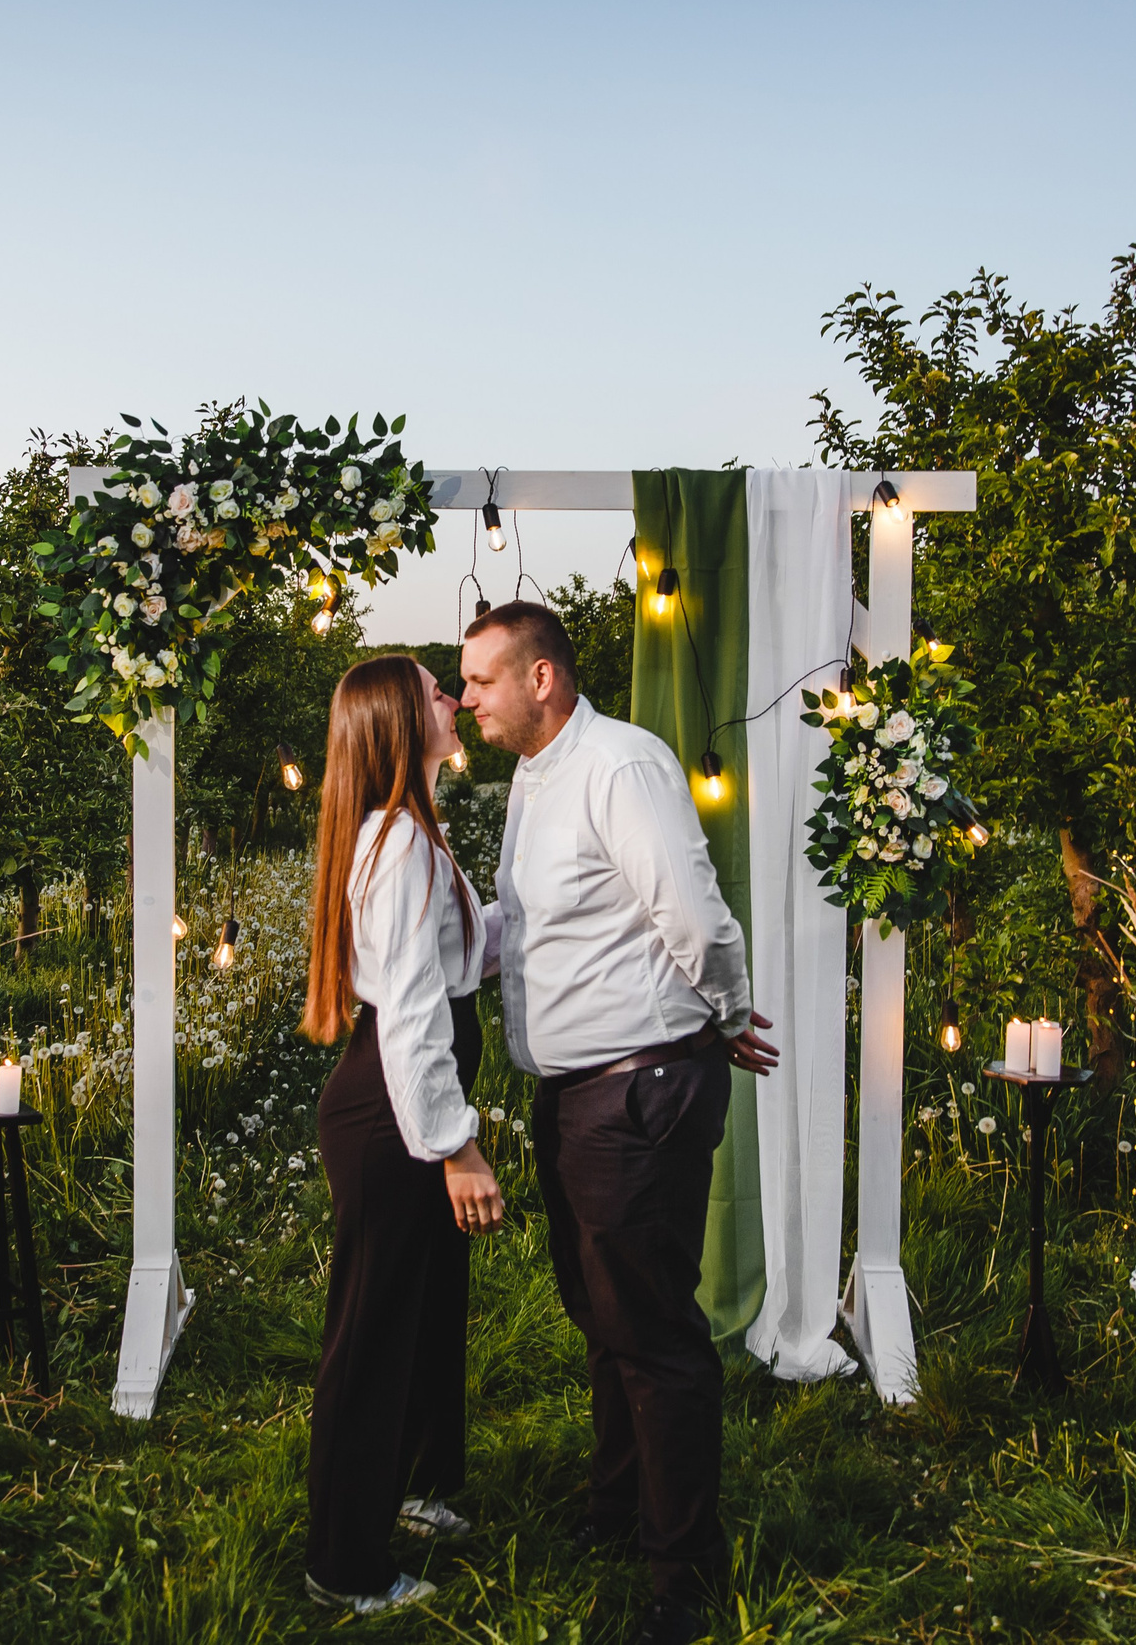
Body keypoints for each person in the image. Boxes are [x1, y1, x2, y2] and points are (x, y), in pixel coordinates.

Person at [459, 600, 777, 1645]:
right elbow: (539, 926)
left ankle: (682, 1578)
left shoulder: (621, 765)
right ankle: (616, 1513)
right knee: (604, 1322)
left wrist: (720, 1015)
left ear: (539, 678)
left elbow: (691, 910)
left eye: (479, 682)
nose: (466, 702)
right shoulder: (533, 779)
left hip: (637, 1090)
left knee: (653, 1335)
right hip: (578, 1094)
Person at [300, 654, 508, 1617]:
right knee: (375, 1326)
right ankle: (344, 1559)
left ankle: (416, 1485)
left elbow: (465, 954)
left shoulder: (412, 834)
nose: (457, 699)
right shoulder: (400, 845)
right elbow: (419, 1013)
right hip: (392, 1106)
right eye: (437, 689)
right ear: (396, 718)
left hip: (396, 1098)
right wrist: (456, 1144)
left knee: (426, 1305)